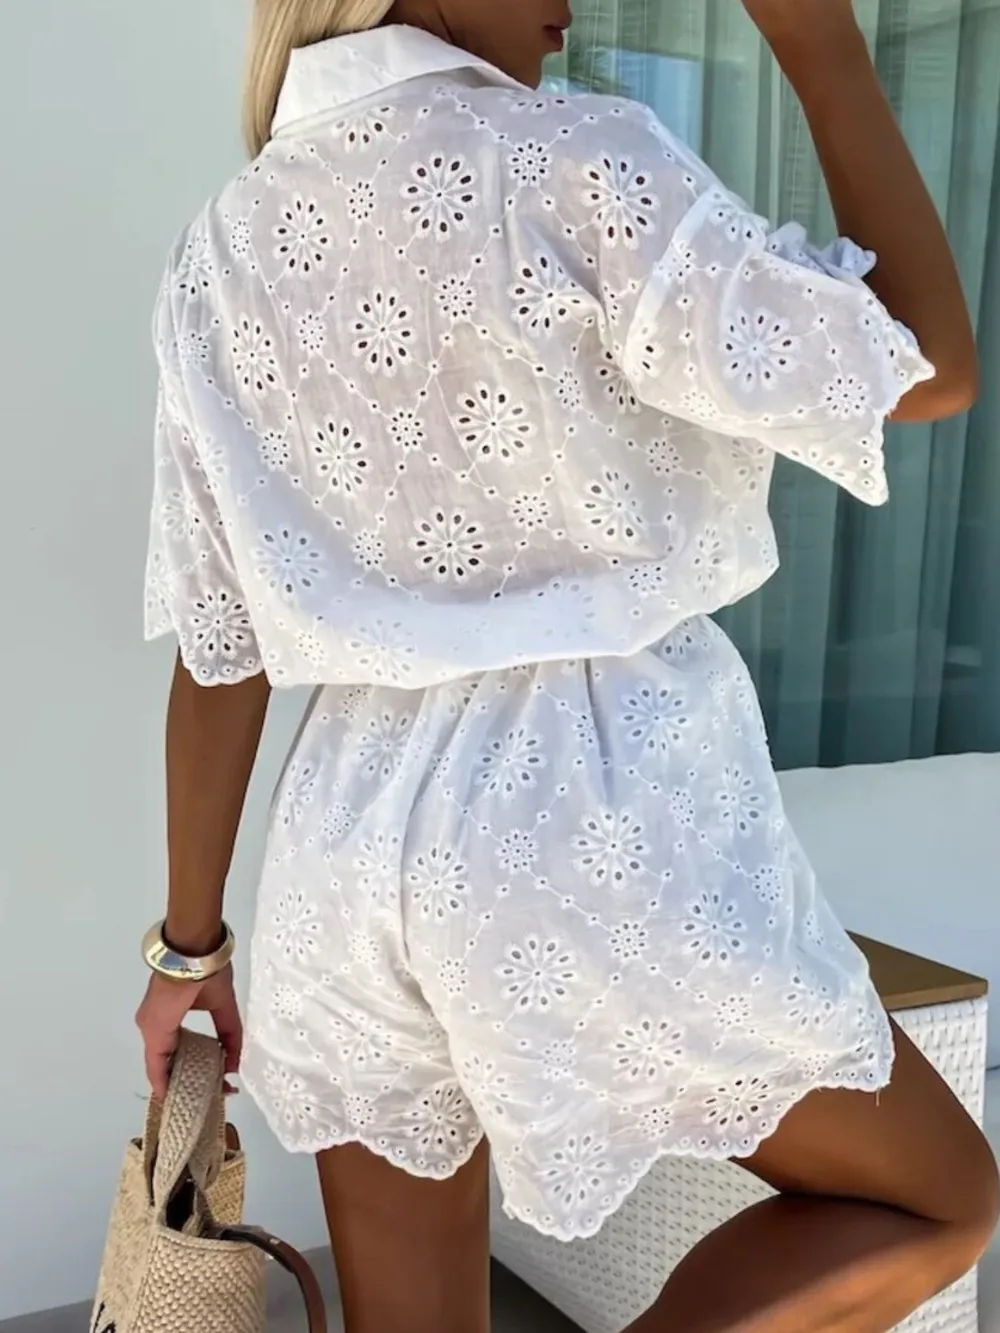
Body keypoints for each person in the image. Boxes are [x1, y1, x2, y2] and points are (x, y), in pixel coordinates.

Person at [134, 0, 998, 1329]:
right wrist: (819, 43)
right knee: (937, 1198)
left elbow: (220, 644)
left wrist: (186, 953)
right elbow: (925, 362)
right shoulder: (574, 160)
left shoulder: (223, 243)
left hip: (341, 846)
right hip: (588, 817)